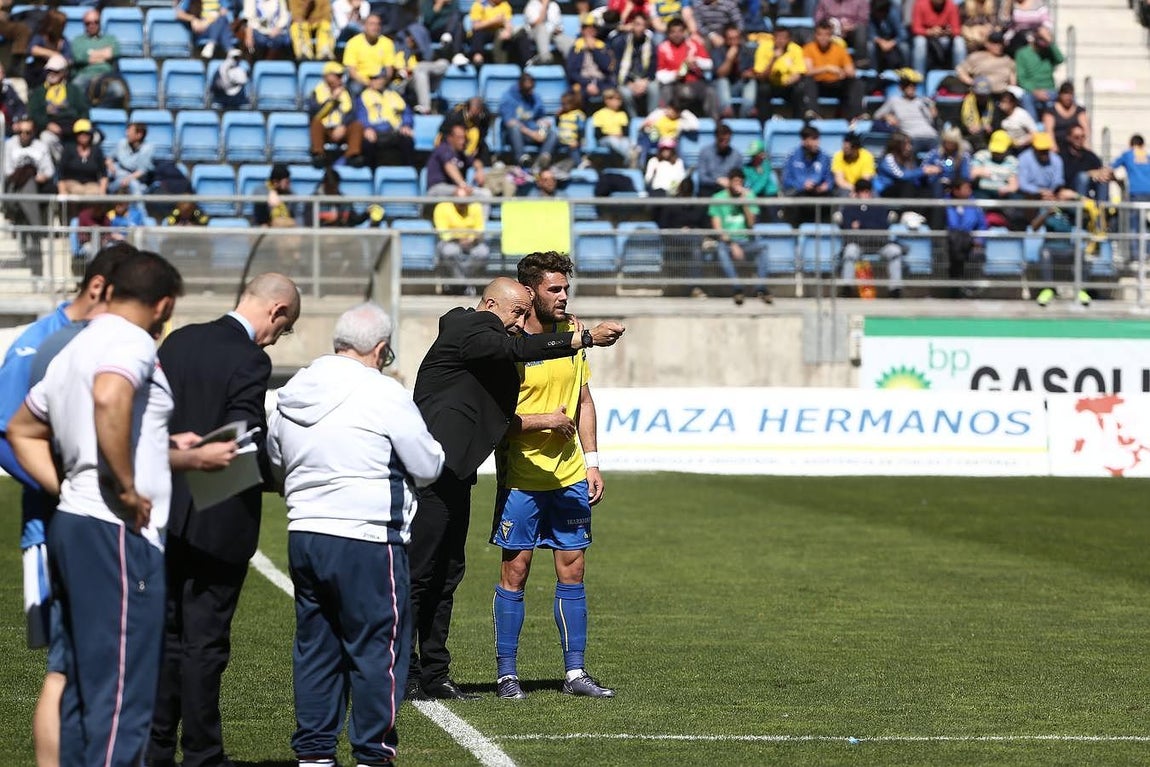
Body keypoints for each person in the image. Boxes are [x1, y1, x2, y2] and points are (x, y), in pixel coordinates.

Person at [407, 278, 625, 701]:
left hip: (457, 471)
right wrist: (584, 339)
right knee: (419, 574)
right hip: (428, 472)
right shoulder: (467, 326)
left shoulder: (488, 342)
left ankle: (435, 673)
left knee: (448, 573)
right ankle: (405, 671)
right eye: (515, 312)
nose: (519, 322)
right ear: (491, 303)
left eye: (525, 313)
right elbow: (515, 348)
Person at [8, 249, 185, 767]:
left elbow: (21, 428)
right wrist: (124, 488)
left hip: (74, 522)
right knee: (122, 693)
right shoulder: (129, 340)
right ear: (164, 305)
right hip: (116, 530)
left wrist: (66, 485)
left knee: (83, 684)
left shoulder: (73, 347)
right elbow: (111, 396)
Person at [267, 302, 443, 767]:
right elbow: (428, 465)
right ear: (381, 349)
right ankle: (372, 753)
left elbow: (277, 462)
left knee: (316, 647)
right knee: (378, 650)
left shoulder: (293, 390)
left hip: (305, 531)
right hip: (366, 536)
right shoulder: (382, 393)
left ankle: (315, 754)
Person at [148, 273, 301, 767]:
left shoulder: (179, 339)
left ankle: (154, 749)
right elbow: (245, 435)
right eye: (286, 327)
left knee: (166, 635)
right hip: (218, 515)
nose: (280, 338)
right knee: (205, 642)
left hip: (164, 508)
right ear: (276, 311)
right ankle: (202, 753)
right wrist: (275, 475)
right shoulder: (251, 357)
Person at [0, 243, 134, 767]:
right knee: (65, 666)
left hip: (101, 523)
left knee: (96, 665)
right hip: (56, 529)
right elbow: (8, 436)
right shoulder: (39, 343)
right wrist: (67, 487)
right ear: (100, 289)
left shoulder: (98, 340)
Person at [490, 252, 617, 701]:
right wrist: (542, 421)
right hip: (522, 478)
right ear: (530, 293)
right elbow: (494, 419)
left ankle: (575, 672)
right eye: (554, 289)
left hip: (568, 479)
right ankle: (507, 675)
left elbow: (583, 400)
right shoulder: (506, 343)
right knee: (516, 571)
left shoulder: (574, 338)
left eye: (566, 288)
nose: (563, 297)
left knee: (574, 569)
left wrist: (593, 460)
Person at [709, 168, 769, 305]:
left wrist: (745, 204)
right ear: (729, 182)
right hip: (728, 243)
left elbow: (751, 223)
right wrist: (733, 245)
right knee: (721, 249)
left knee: (763, 247)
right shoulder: (718, 198)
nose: (737, 185)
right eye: (735, 181)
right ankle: (737, 289)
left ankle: (761, 288)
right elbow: (718, 229)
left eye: (740, 182)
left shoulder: (749, 196)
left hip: (746, 241)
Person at [837, 178, 904, 298]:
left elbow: (883, 227)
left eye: (867, 191)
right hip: (858, 244)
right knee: (850, 251)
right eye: (862, 191)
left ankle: (895, 289)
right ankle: (846, 287)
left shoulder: (879, 207)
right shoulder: (849, 208)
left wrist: (860, 225)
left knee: (895, 251)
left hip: (879, 243)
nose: (865, 194)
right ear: (856, 193)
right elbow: (847, 226)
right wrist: (868, 224)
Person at [2, 116, 55, 268]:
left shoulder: (40, 146)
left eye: (28, 132)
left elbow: (49, 170)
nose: (24, 135)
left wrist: (39, 176)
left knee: (30, 181)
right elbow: (7, 171)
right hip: (15, 187)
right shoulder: (10, 144)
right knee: (26, 178)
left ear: (33, 132)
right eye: (21, 132)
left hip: (36, 187)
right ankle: (35, 227)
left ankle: (27, 224)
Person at [27, 54, 88, 162]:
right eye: (49, 71)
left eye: (56, 71)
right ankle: (64, 165)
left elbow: (83, 111)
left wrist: (78, 128)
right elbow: (33, 113)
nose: (51, 74)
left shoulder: (74, 90)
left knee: (94, 137)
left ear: (64, 72)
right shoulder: (39, 92)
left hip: (73, 128)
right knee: (46, 138)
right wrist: (47, 124)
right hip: (51, 128)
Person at [307, 61, 366, 168]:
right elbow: (315, 113)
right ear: (327, 76)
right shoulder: (316, 92)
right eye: (337, 75)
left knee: (357, 125)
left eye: (341, 76)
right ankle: (318, 155)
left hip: (342, 128)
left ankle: (353, 155)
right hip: (325, 128)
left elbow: (352, 112)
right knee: (316, 123)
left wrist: (343, 125)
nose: (340, 78)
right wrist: (332, 100)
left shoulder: (348, 92)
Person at [802, 19, 864, 120]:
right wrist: (827, 68)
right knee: (808, 81)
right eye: (820, 35)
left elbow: (851, 72)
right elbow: (808, 71)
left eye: (826, 35)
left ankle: (856, 115)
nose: (823, 38)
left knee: (856, 83)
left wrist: (842, 72)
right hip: (818, 84)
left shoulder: (839, 49)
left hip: (836, 84)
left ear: (831, 36)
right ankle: (813, 113)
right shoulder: (808, 48)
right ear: (815, 35)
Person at [433, 186, 491, 294]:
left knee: (483, 252)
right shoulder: (442, 207)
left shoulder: (475, 206)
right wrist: (459, 239)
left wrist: (470, 239)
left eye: (465, 203)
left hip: (472, 242)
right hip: (451, 241)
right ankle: (461, 284)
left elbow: (479, 229)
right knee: (450, 251)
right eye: (460, 203)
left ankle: (464, 283)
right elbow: (443, 232)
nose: (462, 205)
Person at [356, 66, 415, 168]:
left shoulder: (394, 95)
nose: (376, 81)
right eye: (373, 78)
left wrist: (406, 124)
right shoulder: (363, 96)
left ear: (384, 79)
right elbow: (361, 116)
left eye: (379, 78)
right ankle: (371, 174)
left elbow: (407, 112)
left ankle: (409, 171)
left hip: (394, 132)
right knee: (367, 143)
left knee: (407, 140)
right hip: (375, 132)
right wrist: (367, 128)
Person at [655, 17, 713, 116]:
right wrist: (675, 76)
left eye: (680, 31)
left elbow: (709, 64)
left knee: (710, 92)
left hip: (696, 82)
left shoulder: (694, 44)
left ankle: (714, 124)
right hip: (675, 84)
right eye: (673, 32)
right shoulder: (663, 48)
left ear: (684, 32)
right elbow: (659, 74)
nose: (677, 35)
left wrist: (696, 61)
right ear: (668, 34)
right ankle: (662, 119)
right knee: (667, 90)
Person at [752, 26, 812, 121]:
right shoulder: (764, 48)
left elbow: (799, 73)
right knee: (763, 90)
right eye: (778, 37)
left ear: (789, 39)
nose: (780, 40)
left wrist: (787, 81)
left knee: (799, 91)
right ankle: (764, 124)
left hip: (788, 84)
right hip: (770, 83)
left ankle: (798, 123)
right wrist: (773, 60)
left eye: (784, 37)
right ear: (773, 38)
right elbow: (761, 76)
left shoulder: (796, 49)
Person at [501, 72, 559, 170]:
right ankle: (521, 159)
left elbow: (540, 117)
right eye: (528, 90)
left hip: (534, 132)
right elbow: (510, 122)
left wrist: (543, 126)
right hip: (517, 135)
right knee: (514, 128)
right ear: (520, 87)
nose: (531, 92)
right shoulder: (508, 98)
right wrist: (532, 134)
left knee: (552, 133)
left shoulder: (535, 97)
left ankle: (541, 162)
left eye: (532, 88)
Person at [873, 69, 938, 154]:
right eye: (907, 85)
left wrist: (932, 109)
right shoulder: (894, 101)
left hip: (931, 136)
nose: (911, 87)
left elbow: (932, 118)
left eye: (913, 85)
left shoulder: (923, 101)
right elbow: (876, 115)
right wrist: (886, 116)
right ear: (901, 87)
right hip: (911, 137)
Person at [426, 123, 492, 204]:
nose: (463, 141)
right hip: (437, 189)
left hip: (456, 188)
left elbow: (476, 162)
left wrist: (479, 170)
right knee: (462, 193)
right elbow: (450, 167)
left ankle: (481, 217)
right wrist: (463, 185)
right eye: (459, 138)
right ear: (450, 138)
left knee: (485, 194)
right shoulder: (443, 149)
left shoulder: (461, 154)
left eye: (464, 138)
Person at [944, 177, 987, 298]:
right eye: (966, 188)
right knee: (955, 251)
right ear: (956, 191)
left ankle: (971, 290)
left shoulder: (974, 204)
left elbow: (982, 225)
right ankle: (955, 291)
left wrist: (979, 240)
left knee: (976, 255)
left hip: (970, 242)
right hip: (951, 242)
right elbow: (951, 224)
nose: (969, 191)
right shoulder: (945, 204)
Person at [610, 11, 658, 118]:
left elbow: (653, 66)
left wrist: (645, 81)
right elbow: (617, 67)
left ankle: (651, 118)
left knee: (654, 87)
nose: (640, 28)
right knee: (625, 92)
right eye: (637, 24)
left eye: (643, 25)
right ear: (632, 24)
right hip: (627, 80)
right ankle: (634, 119)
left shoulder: (651, 43)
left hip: (644, 79)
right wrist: (629, 83)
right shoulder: (621, 42)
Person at [781, 124, 833, 223]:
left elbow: (829, 179)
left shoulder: (824, 157)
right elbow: (786, 180)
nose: (817, 143)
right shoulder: (792, 156)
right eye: (813, 139)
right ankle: (797, 235)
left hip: (818, 194)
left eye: (817, 139)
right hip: (799, 194)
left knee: (829, 199)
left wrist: (826, 186)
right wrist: (802, 185)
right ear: (804, 141)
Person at [70, 9, 123, 99]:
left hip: (106, 75)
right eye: (88, 23)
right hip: (84, 75)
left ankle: (102, 111)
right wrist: (103, 55)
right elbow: (79, 57)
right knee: (73, 90)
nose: (92, 25)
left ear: (100, 22)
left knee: (118, 91)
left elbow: (114, 53)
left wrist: (90, 53)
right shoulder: (77, 40)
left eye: (96, 22)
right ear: (84, 24)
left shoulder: (110, 39)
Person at [1015, 26, 1063, 120]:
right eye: (1042, 38)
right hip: (1031, 91)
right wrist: (1035, 91)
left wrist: (1050, 42)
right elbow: (1021, 78)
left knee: (1067, 98)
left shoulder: (1049, 51)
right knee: (1026, 98)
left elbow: (1060, 59)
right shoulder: (1022, 53)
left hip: (1050, 90)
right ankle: (1034, 128)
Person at [564, 14, 614, 104]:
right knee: (576, 93)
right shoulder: (576, 48)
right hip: (583, 82)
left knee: (613, 93)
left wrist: (594, 50)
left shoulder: (603, 47)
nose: (590, 30)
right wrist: (587, 83)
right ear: (582, 30)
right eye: (587, 28)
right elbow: (571, 72)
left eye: (593, 28)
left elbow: (607, 67)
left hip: (601, 82)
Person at [711, 24, 756, 119]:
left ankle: (747, 111)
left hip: (740, 84)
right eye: (730, 38)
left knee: (751, 82)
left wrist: (748, 74)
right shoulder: (717, 51)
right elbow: (720, 74)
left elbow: (753, 71)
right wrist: (729, 59)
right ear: (725, 39)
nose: (734, 41)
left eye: (736, 38)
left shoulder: (746, 51)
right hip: (722, 88)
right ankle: (727, 111)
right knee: (722, 80)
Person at [341, 15, 395, 94]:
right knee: (355, 88)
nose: (375, 27)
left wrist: (382, 81)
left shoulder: (387, 43)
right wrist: (369, 83)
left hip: (380, 79)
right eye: (372, 24)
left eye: (378, 24)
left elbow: (389, 70)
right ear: (364, 26)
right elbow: (352, 72)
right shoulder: (353, 43)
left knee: (395, 90)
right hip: (360, 80)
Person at [910, 0, 966, 74]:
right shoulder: (920, 3)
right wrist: (929, 31)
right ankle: (919, 76)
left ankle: (960, 75)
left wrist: (948, 32)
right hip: (927, 37)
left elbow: (957, 30)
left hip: (945, 38)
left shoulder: (950, 4)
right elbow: (915, 28)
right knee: (919, 41)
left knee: (959, 41)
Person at [955, 30, 1014, 96]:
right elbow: (961, 70)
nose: (998, 46)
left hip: (1002, 95)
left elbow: (1013, 80)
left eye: (1000, 43)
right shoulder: (976, 56)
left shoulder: (1007, 60)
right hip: (981, 94)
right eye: (994, 43)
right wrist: (972, 82)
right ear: (987, 44)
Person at [108, 122, 156, 196]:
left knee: (134, 185)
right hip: (118, 173)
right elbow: (109, 158)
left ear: (139, 134)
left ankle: (140, 208)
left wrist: (128, 179)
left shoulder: (148, 148)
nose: (126, 134)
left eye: (129, 131)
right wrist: (110, 164)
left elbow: (142, 171)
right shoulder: (122, 143)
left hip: (135, 178)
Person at [696, 121, 743, 197]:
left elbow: (740, 176)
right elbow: (702, 177)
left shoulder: (736, 155)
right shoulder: (705, 152)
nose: (724, 143)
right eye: (721, 140)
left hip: (729, 189)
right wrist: (717, 181)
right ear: (716, 137)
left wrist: (731, 182)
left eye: (727, 141)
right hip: (710, 188)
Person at [970, 130, 1020, 201]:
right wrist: (978, 172)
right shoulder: (981, 156)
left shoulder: (1012, 161)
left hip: (1002, 194)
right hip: (982, 191)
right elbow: (970, 176)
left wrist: (1007, 189)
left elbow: (1014, 186)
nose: (997, 154)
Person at [1043, 81, 1089, 153]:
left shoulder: (1079, 111)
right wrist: (1054, 148)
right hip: (1058, 147)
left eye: (1070, 94)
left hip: (1076, 147)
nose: (1068, 97)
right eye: (1065, 94)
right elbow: (1049, 131)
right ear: (1060, 95)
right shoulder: (1051, 111)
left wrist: (1086, 148)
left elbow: (1086, 129)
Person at [590, 89, 633, 165]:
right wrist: (611, 135)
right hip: (605, 139)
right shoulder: (599, 114)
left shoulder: (622, 114)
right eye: (614, 99)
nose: (618, 102)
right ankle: (627, 160)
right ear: (607, 100)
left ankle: (627, 160)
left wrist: (621, 135)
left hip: (620, 139)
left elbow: (625, 131)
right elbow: (598, 133)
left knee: (626, 142)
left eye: (619, 99)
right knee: (613, 141)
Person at [1017, 130, 1063, 200]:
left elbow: (1058, 181)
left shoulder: (1056, 159)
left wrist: (1050, 192)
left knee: (1065, 194)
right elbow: (1023, 184)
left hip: (1051, 194)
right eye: (1041, 150)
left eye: (1046, 150)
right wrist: (1038, 191)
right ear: (1034, 148)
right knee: (1029, 197)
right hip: (1031, 194)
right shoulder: (1024, 158)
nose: (1044, 153)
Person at [467, 0, 513, 66]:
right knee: (478, 32)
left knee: (502, 33)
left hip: (496, 33)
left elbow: (508, 23)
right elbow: (476, 26)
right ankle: (477, 58)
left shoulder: (505, 4)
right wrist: (493, 21)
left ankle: (501, 65)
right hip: (481, 33)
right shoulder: (479, 4)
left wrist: (508, 31)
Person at [958, 75, 996, 152]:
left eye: (984, 95)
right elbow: (956, 123)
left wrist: (989, 128)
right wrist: (967, 128)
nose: (982, 97)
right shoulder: (964, 103)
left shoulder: (993, 105)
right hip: (968, 137)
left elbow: (998, 124)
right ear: (974, 92)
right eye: (979, 95)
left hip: (987, 139)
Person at [997, 87, 1038, 151]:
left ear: (1012, 103)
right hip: (1005, 147)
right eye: (1001, 102)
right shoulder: (999, 114)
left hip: (1023, 148)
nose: (1001, 105)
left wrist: (1020, 143)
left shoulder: (1022, 114)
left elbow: (1034, 133)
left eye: (1004, 102)